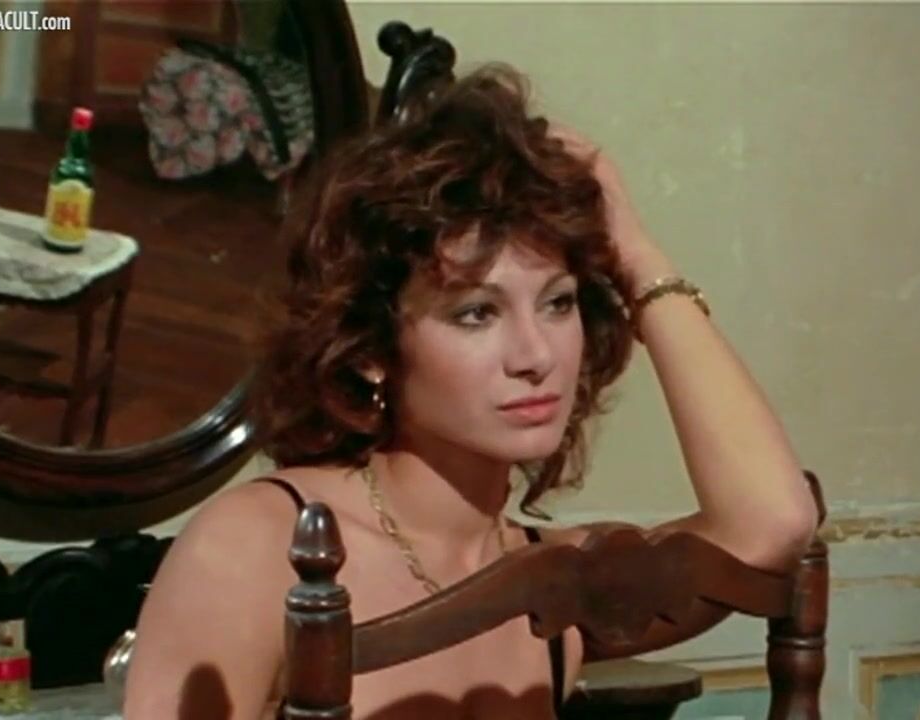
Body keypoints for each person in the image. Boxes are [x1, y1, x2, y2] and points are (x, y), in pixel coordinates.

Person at [124, 64, 818, 720]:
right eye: (476, 313)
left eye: (558, 303)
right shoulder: (256, 547)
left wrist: (639, 258)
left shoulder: (556, 582)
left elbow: (772, 524)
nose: (535, 357)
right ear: (369, 351)